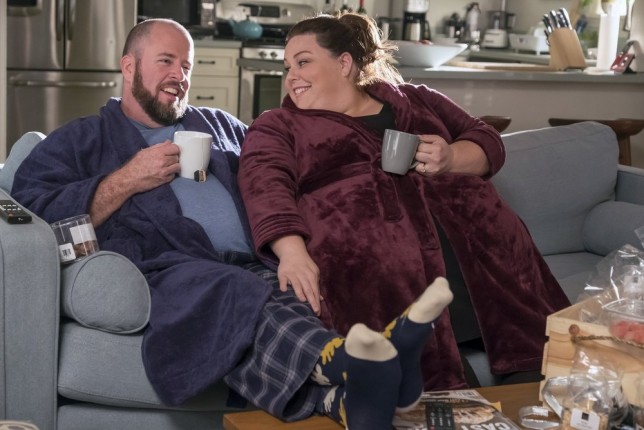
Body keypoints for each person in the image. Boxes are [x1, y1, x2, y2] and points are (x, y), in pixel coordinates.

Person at [10, 18, 457, 429]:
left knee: (296, 290)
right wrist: (127, 178)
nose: (179, 75)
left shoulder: (221, 125)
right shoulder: (83, 139)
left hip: (256, 261)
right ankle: (348, 362)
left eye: (186, 66)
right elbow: (35, 213)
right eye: (165, 61)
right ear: (129, 67)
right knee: (233, 290)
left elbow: (290, 168)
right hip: (171, 268)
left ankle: (344, 401)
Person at [238, 12, 572, 391]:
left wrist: (451, 157)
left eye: (303, 62)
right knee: (434, 382)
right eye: (287, 67)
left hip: (485, 253)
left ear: (344, 63)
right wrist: (292, 253)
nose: (291, 77)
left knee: (544, 373)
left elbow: (486, 141)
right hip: (383, 274)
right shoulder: (279, 125)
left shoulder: (415, 99)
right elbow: (264, 184)